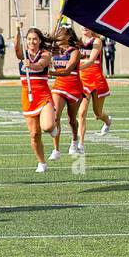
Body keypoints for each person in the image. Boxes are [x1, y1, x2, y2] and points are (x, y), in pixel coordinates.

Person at [14, 24, 57, 174]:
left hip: (43, 94)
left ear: (39, 41)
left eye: (35, 39)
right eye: (29, 39)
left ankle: (52, 126)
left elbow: (40, 65)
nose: (32, 42)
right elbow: (17, 50)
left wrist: (30, 65)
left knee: (46, 126)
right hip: (28, 96)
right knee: (34, 134)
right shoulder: (23, 54)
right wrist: (17, 31)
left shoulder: (45, 54)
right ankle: (41, 162)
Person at [48, 25, 84, 159]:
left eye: (60, 35)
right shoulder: (54, 50)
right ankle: (56, 150)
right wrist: (56, 26)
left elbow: (68, 70)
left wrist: (49, 72)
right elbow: (47, 40)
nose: (57, 38)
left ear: (68, 37)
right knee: (55, 116)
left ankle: (74, 142)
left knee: (71, 120)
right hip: (59, 86)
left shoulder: (74, 51)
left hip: (74, 87)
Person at [78, 27, 114, 144]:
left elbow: (91, 60)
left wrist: (73, 68)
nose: (84, 28)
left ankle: (107, 121)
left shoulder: (96, 41)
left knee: (97, 114)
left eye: (87, 26)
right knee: (81, 113)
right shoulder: (77, 41)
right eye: (82, 25)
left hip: (96, 79)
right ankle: (80, 145)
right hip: (83, 80)